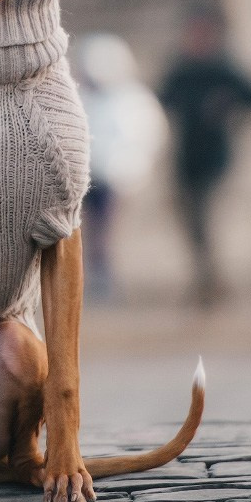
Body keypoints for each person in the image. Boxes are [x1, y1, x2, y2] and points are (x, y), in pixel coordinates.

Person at [158, 9, 251, 308]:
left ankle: (211, 284)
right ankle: (208, 281)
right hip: (185, 159)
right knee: (191, 224)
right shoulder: (181, 70)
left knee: (205, 221)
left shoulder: (223, 70)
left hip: (215, 160)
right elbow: (160, 99)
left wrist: (229, 106)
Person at [72, 33, 166, 303]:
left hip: (114, 179)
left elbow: (143, 138)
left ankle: (105, 280)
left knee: (106, 231)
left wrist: (125, 170)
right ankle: (86, 279)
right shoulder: (79, 96)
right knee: (81, 232)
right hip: (82, 178)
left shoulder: (132, 100)